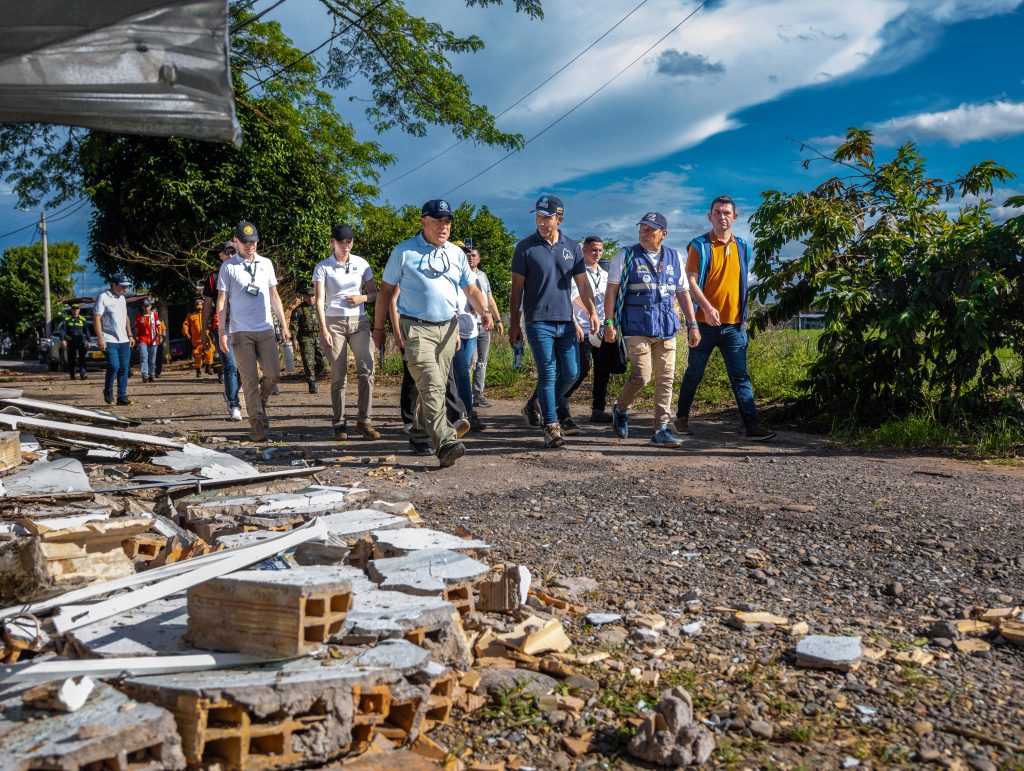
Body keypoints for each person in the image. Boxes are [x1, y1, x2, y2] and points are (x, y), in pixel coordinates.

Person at [372, 199, 493, 468]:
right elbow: (385, 293)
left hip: (449, 329)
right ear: (423, 221)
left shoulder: (456, 254)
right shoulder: (404, 252)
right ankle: (446, 440)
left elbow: (470, 289)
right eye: (438, 220)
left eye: (447, 221)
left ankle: (417, 432)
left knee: (427, 385)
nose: (444, 226)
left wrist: (483, 310)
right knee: (432, 383)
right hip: (416, 328)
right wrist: (379, 329)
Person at [676, 195, 776, 441]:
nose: (722, 217)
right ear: (710, 216)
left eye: (726, 212)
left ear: (735, 216)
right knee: (694, 374)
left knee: (740, 376)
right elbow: (690, 280)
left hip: (734, 326)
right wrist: (707, 309)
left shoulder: (743, 246)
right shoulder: (699, 245)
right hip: (704, 324)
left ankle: (752, 425)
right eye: (717, 212)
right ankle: (681, 419)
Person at [509, 194, 598, 448]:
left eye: (546, 217)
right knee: (548, 372)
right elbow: (516, 291)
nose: (540, 221)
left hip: (565, 321)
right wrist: (515, 324)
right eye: (538, 216)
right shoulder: (525, 247)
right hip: (538, 321)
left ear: (559, 219)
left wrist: (592, 312)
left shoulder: (572, 247)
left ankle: (535, 404)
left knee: (572, 372)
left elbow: (583, 285)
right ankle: (551, 426)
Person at [603, 212, 700, 447]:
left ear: (663, 233)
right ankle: (621, 408)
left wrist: (693, 324)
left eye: (650, 230)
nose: (644, 233)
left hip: (666, 327)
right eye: (642, 229)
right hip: (636, 326)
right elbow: (611, 292)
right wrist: (609, 323)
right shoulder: (625, 256)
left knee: (666, 379)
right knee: (642, 376)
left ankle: (661, 429)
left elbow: (683, 294)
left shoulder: (675, 257)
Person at [215, 221, 291, 441]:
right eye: (246, 241)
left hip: (266, 328)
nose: (251, 245)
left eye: (254, 241)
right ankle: (257, 423)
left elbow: (274, 296)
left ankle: (261, 400)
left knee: (273, 373)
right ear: (236, 241)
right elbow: (222, 301)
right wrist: (222, 331)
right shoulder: (228, 267)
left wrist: (284, 324)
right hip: (241, 332)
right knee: (249, 379)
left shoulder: (266, 263)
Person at [314, 223, 380, 441]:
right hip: (334, 322)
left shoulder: (361, 263)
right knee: (339, 374)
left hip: (359, 321)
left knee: (366, 369)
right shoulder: (323, 267)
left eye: (349, 241)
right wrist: (323, 328)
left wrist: (362, 298)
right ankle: (339, 422)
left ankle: (365, 421)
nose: (345, 246)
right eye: (341, 242)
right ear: (332, 242)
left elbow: (374, 293)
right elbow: (320, 300)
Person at [563, 235, 612, 423]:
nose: (597, 253)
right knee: (582, 369)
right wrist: (592, 314)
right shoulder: (578, 272)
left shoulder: (605, 275)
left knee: (603, 369)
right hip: (583, 327)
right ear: (584, 250)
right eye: (593, 250)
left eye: (600, 250)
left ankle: (598, 409)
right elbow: (575, 297)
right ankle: (563, 399)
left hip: (601, 330)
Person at [202, 241, 242, 420]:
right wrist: (203, 330)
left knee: (243, 367)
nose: (231, 255)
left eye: (234, 252)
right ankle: (234, 405)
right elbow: (207, 304)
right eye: (228, 252)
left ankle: (232, 392)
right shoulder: (212, 277)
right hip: (222, 325)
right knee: (230, 364)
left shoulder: (245, 271)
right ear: (221, 255)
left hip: (243, 324)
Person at [465, 245, 502, 408]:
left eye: (474, 255)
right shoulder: (462, 274)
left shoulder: (483, 276)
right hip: (469, 324)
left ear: (479, 259)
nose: (471, 257)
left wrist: (498, 319)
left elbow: (489, 299)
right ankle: (463, 394)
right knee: (469, 362)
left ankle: (478, 393)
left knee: (482, 361)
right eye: (469, 255)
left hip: (484, 325)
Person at [93, 273, 135, 406]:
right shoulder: (103, 297)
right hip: (109, 338)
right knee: (114, 365)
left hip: (123, 340)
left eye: (126, 287)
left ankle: (122, 396)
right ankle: (108, 390)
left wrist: (130, 335)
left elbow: (126, 317)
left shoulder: (122, 299)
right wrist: (100, 338)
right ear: (114, 285)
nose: (125, 289)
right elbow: (96, 318)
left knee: (124, 368)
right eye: (122, 286)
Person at [289, 285, 326, 394]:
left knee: (322, 362)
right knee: (308, 362)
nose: (310, 298)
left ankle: (312, 375)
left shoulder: (321, 307)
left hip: (319, 337)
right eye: (308, 296)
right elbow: (293, 326)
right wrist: (294, 339)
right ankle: (311, 382)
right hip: (305, 338)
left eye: (313, 296)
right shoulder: (299, 310)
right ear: (304, 297)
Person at [181, 298, 212, 378]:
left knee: (210, 351)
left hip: (207, 338)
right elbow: (185, 324)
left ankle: (208, 367)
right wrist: (186, 333)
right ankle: (198, 371)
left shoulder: (207, 314)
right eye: (198, 307)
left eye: (201, 307)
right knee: (197, 354)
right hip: (196, 339)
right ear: (195, 306)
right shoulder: (191, 315)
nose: (199, 308)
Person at [134, 299, 161, 383]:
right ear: (141, 307)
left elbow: (158, 326)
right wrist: (135, 338)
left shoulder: (155, 315)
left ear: (150, 306)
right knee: (144, 357)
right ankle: (145, 374)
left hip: (153, 340)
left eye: (148, 306)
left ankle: (150, 374)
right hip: (143, 339)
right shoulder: (138, 317)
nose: (146, 308)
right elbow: (136, 329)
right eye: (144, 306)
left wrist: (160, 335)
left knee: (152, 360)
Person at [61, 303, 90, 380]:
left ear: (79, 310)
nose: (75, 311)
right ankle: (72, 374)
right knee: (71, 358)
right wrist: (63, 340)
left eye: (77, 309)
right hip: (71, 341)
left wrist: (89, 341)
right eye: (74, 309)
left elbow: (86, 331)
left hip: (81, 341)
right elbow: (63, 331)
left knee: (82, 358)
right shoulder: (67, 319)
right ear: (71, 310)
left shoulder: (83, 319)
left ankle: (83, 373)